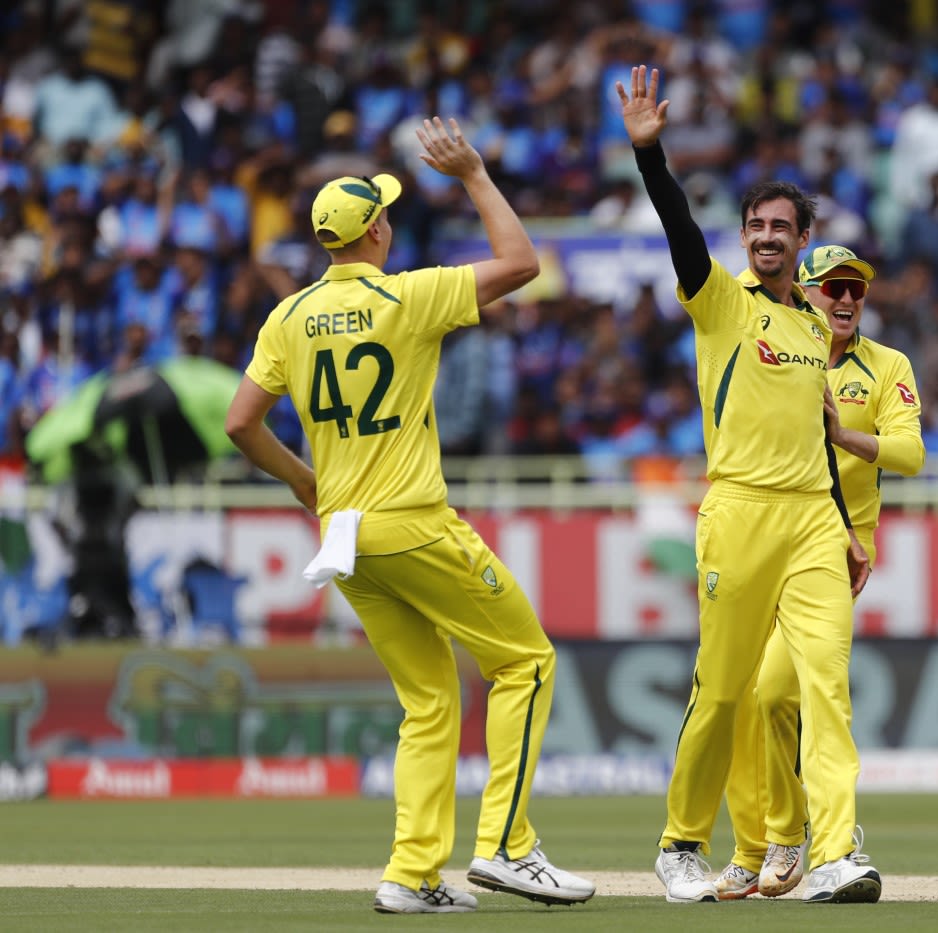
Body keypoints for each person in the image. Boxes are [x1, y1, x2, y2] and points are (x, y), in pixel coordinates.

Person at [223, 116, 595, 915]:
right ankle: (507, 847)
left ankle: (412, 873)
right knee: (525, 661)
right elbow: (524, 262)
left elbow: (240, 421)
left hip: (346, 536)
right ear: (379, 229)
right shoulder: (410, 292)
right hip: (415, 520)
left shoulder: (287, 317)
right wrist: (473, 175)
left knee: (428, 701)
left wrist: (302, 481)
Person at [616, 66, 881, 905]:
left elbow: (816, 437)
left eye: (781, 226)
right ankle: (680, 843)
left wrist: (844, 525)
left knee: (824, 689)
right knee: (722, 688)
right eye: (757, 225)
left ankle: (835, 851)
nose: (767, 236)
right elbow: (678, 228)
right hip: (737, 510)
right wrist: (650, 158)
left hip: (810, 518)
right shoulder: (720, 302)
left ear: (804, 238)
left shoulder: (812, 324)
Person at [715, 244, 925, 900]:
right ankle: (766, 840)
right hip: (758, 536)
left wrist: (844, 436)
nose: (844, 300)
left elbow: (911, 453)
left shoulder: (887, 365)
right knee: (741, 698)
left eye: (855, 290)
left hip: (832, 551)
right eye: (831, 288)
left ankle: (812, 839)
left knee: (785, 691)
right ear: (803, 291)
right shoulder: (774, 351)